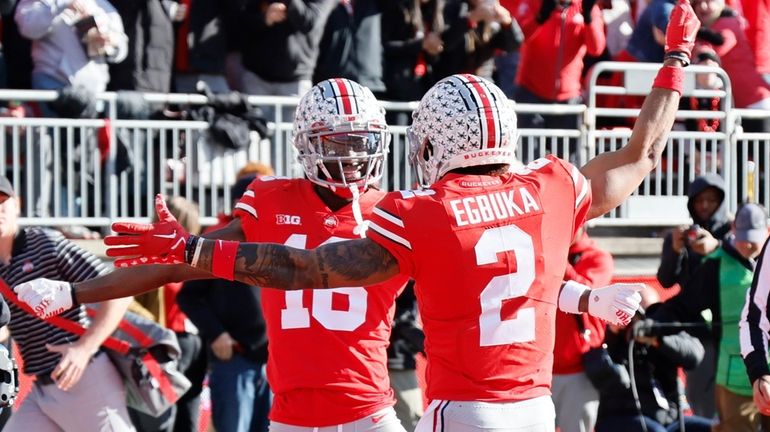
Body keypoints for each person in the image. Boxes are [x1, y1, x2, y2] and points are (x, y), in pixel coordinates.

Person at [16, 1, 701, 429]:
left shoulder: (410, 212)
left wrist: (196, 252)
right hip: (500, 409)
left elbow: (309, 269)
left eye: (360, 147)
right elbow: (634, 160)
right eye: (335, 147)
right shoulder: (545, 187)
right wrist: (675, 60)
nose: (349, 162)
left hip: (402, 411)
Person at [17, 78, 411, 431]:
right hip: (292, 416)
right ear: (306, 142)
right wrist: (73, 292)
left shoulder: (395, 213)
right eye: (338, 141)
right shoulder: (271, 199)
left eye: (363, 140)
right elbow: (175, 266)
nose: (354, 153)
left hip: (369, 410)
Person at [0, 174, 135, 431]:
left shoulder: (45, 243)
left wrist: (84, 348)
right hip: (42, 388)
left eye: (2, 201)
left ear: (17, 204)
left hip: (84, 378)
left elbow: (120, 290)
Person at [651, 203, 770, 431]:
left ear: (766, 231)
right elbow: (683, 305)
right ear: (734, 229)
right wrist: (652, 322)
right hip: (734, 378)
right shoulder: (716, 264)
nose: (747, 244)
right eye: (743, 236)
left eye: (754, 238)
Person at [177, 176, 272, 432]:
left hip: (275, 360)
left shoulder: (279, 237)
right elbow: (188, 295)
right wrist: (217, 333)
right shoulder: (219, 239)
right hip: (236, 357)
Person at [594, 289, 713, 432]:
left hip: (668, 417)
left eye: (653, 311)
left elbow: (694, 355)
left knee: (716, 428)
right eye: (641, 312)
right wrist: (613, 334)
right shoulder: (613, 336)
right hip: (624, 416)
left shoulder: (663, 332)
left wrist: (657, 339)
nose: (646, 318)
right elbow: (596, 366)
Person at [552, 227, 613, 432]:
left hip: (578, 371)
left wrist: (556, 257)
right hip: (539, 371)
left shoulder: (598, 257)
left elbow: (586, 294)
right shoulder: (543, 254)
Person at [387, 281, 425, 431]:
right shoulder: (403, 276)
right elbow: (403, 322)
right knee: (411, 422)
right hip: (395, 360)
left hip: (370, 361)